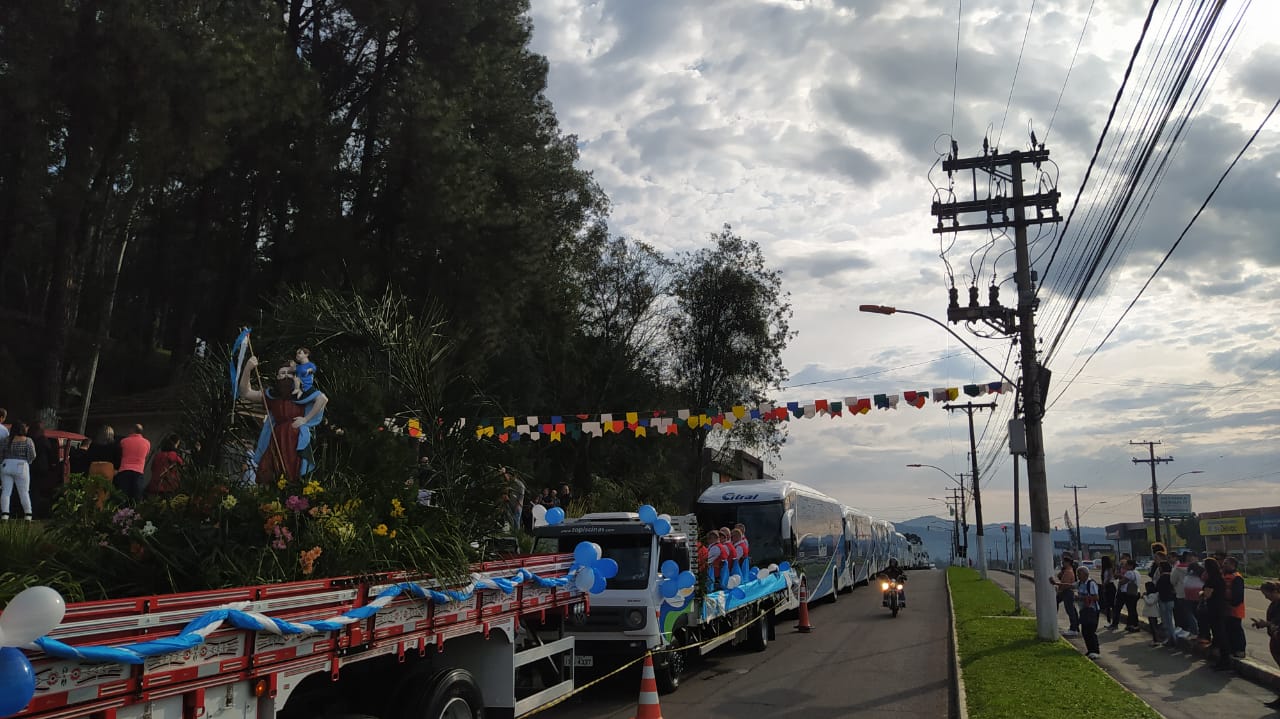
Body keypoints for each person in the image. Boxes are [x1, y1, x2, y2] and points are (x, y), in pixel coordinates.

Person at [240, 356, 329, 483]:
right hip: (277, 438)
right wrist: (248, 369)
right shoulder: (272, 396)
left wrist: (305, 419)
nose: (286, 376)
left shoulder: (302, 394)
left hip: (295, 439)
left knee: (293, 471)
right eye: (282, 373)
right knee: (269, 470)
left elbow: (323, 399)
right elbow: (246, 393)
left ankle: (292, 498)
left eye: (290, 373)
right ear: (277, 377)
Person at [1250, 581, 1280, 708]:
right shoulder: (1274, 605)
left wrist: (1268, 624)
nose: (1265, 597)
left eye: (1266, 594)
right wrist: (1263, 624)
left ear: (1274, 591)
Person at [1, 421, 37, 520]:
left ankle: (5, 514)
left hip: (6, 464)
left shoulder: (6, 440)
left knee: (6, 491)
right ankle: (28, 514)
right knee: (24, 492)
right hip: (21, 465)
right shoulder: (28, 440)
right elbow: (32, 455)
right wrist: (28, 461)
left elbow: (1, 454)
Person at [1200, 557, 1232, 670]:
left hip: (1214, 609)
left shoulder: (1211, 580)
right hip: (1220, 608)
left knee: (1219, 633)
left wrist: (1202, 593)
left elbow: (1207, 594)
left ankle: (1224, 660)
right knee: (1220, 633)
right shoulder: (1220, 578)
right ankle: (1223, 658)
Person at [1222, 557, 1247, 658]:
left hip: (1235, 609)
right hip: (1226, 609)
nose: (1223, 565)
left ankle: (1240, 650)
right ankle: (1232, 649)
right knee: (1228, 630)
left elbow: (1238, 596)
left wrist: (1230, 604)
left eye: (1226, 563)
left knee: (1236, 630)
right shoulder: (1225, 576)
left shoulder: (1237, 578)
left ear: (1233, 565)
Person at [1076, 565, 1102, 659]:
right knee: (1085, 631)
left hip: (1092, 611)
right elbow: (1070, 585)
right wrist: (1057, 584)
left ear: (1086, 574)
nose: (1078, 576)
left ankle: (1095, 651)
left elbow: (1096, 597)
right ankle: (1090, 650)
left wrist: (1081, 598)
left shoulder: (1090, 584)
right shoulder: (1079, 584)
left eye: (1079, 574)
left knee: (1091, 631)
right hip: (1084, 611)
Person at [1052, 553, 1080, 637]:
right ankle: (1075, 627)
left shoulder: (1069, 571)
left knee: (1070, 610)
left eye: (1064, 562)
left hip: (1067, 592)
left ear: (1068, 563)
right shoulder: (1066, 571)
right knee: (1070, 609)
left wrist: (1057, 586)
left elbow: (1065, 584)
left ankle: (1073, 629)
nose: (1062, 563)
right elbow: (1060, 578)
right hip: (1065, 592)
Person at [1155, 561, 1177, 647]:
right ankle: (1173, 637)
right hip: (1171, 600)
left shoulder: (1162, 577)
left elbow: (1157, 588)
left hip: (1163, 600)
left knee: (1166, 621)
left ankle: (1170, 639)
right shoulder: (1172, 577)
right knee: (1171, 620)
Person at [1120, 558, 1143, 632]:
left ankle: (1133, 624)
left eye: (1126, 565)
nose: (1125, 566)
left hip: (1130, 593)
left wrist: (1120, 580)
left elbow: (1123, 582)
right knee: (1133, 609)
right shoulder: (1137, 572)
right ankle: (1133, 624)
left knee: (1131, 610)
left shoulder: (1129, 573)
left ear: (1130, 566)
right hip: (1136, 592)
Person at [1100, 555, 1119, 630]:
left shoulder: (1109, 569)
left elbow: (1108, 578)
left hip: (1110, 586)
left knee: (1112, 605)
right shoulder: (1105, 569)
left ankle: (1113, 622)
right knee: (1107, 605)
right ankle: (1109, 621)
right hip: (1107, 586)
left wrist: (1104, 585)